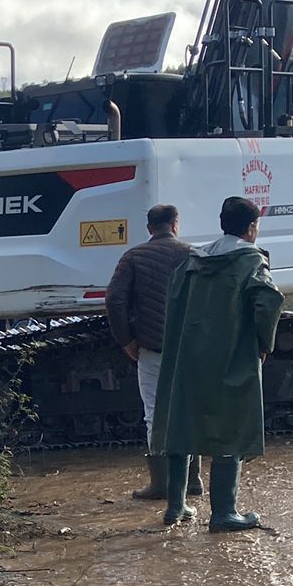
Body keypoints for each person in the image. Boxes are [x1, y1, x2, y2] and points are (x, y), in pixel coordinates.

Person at [152, 195, 284, 530]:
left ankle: (176, 507)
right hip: (230, 356)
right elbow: (268, 301)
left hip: (188, 355)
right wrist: (264, 343)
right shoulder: (250, 260)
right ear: (252, 227)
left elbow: (174, 299)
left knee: (182, 423)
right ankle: (224, 513)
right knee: (231, 426)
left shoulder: (194, 260)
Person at [104, 203, 201, 500]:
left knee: (155, 415)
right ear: (175, 224)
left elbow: (114, 301)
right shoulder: (194, 255)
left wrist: (127, 341)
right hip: (189, 349)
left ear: (149, 228)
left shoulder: (133, 257)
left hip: (151, 348)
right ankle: (193, 479)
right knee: (188, 411)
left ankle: (162, 484)